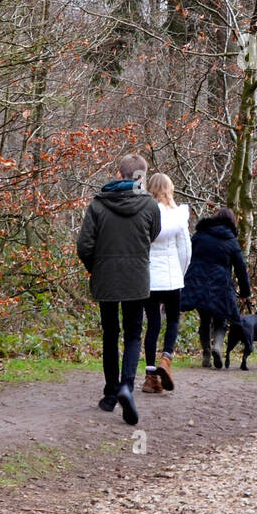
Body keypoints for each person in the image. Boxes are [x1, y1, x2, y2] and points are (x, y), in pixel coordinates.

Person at [76, 153, 161, 425]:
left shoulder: (98, 205)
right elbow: (153, 235)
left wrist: (97, 267)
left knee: (111, 335)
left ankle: (111, 394)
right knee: (134, 335)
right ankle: (126, 386)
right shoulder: (150, 206)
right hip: (136, 279)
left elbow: (84, 246)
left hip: (107, 279)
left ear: (118, 173)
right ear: (141, 176)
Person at [180, 207, 250, 370]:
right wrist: (245, 292)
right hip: (221, 285)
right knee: (221, 319)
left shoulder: (200, 235)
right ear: (232, 221)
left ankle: (206, 353)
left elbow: (186, 255)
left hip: (198, 283)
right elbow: (241, 267)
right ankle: (217, 347)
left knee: (205, 319)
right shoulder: (230, 240)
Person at [142, 173, 190, 394]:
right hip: (172, 277)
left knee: (152, 325)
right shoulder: (178, 216)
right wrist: (180, 274)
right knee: (173, 320)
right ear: (170, 189)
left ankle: (150, 377)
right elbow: (185, 250)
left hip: (150, 278)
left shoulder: (144, 214)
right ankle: (166, 358)